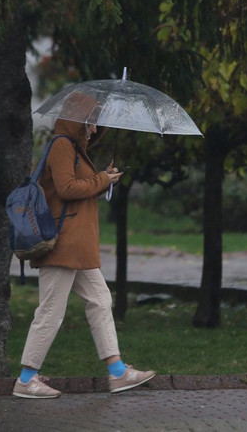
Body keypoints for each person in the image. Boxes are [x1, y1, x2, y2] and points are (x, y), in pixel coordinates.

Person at [13, 93, 155, 399]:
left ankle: (118, 373)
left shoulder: (76, 148)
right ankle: (26, 379)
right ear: (77, 119)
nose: (93, 129)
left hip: (77, 247)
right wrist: (102, 179)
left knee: (101, 301)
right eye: (90, 122)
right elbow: (66, 188)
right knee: (51, 311)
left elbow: (82, 184)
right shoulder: (63, 145)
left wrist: (104, 178)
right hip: (63, 245)